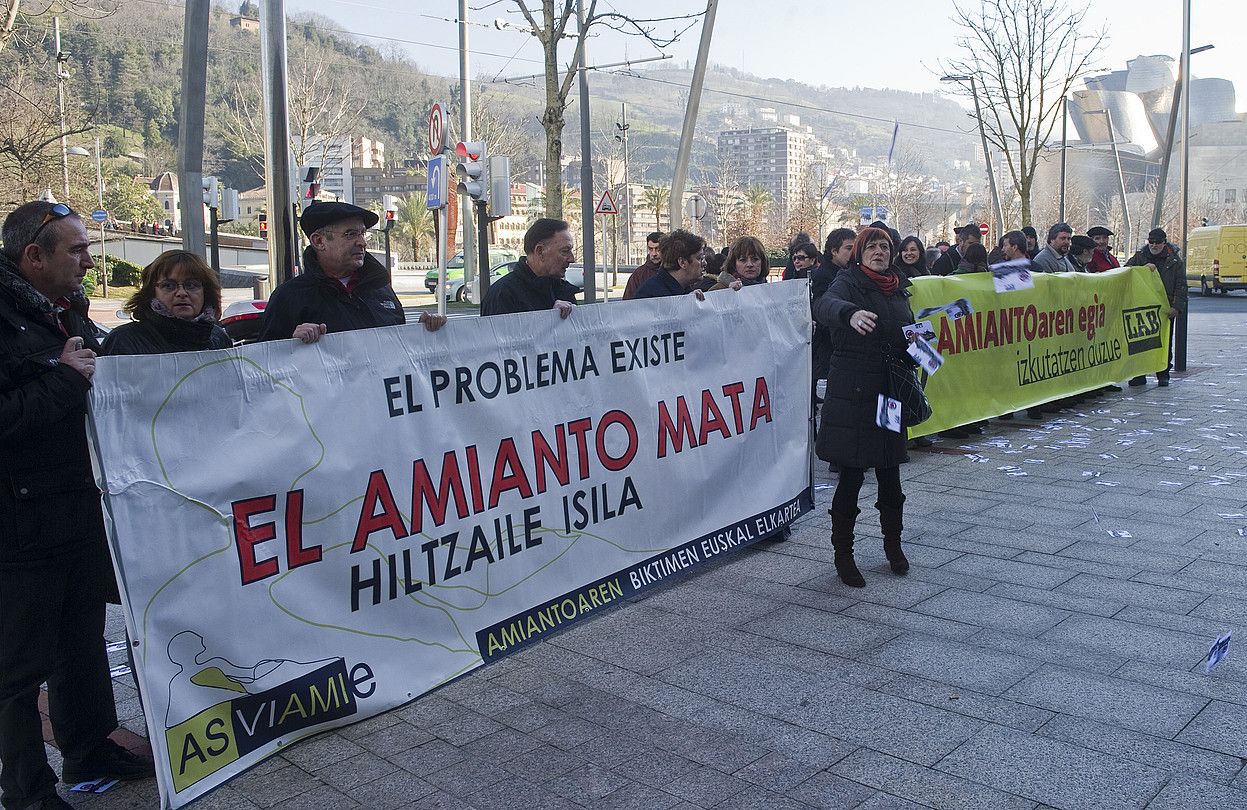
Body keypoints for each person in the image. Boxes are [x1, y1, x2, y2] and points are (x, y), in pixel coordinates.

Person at [0, 201, 156, 810]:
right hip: (20, 521)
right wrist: (64, 380)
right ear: (33, 256)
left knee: (82, 639)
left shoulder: (62, 311)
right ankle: (27, 791)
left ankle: (89, 747)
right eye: (77, 250)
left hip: (76, 508)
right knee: (19, 670)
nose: (89, 260)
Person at [814, 227, 915, 588]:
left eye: (884, 246)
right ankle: (844, 554)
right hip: (854, 395)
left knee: (891, 476)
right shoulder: (847, 281)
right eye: (871, 245)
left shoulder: (899, 287)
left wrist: (923, 347)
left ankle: (894, 547)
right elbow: (823, 305)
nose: (878, 251)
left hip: (888, 394)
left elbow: (905, 335)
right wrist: (849, 314)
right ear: (858, 253)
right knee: (852, 477)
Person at [259, 202, 445, 343]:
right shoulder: (289, 297)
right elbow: (265, 366)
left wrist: (422, 333)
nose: (362, 242)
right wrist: (292, 341)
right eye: (350, 234)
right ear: (319, 241)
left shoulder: (381, 289)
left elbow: (398, 350)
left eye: (362, 233)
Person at [101, 251, 232, 354]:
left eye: (191, 285)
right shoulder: (123, 341)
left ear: (206, 291)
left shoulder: (219, 338)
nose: (181, 293)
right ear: (152, 292)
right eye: (169, 286)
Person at [481, 218, 580, 318]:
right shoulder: (503, 295)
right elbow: (501, 333)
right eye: (565, 251)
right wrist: (549, 317)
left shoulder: (564, 291)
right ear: (540, 251)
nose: (571, 259)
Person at [1125, 227, 1186, 387]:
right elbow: (1126, 271)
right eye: (1150, 242)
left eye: (1158, 242)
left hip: (1165, 308)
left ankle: (1163, 374)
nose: (1154, 245)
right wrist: (1142, 269)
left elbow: (1181, 286)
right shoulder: (1140, 257)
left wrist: (1176, 307)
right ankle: (1139, 374)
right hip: (1142, 307)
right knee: (1140, 342)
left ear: (1164, 243)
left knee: (1164, 342)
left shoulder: (1174, 261)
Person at [634, 230, 708, 300]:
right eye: (700, 258)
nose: (705, 263)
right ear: (682, 262)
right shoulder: (650, 296)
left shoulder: (684, 289)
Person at [621, 231, 664, 299]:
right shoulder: (638, 275)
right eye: (650, 249)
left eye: (658, 249)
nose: (654, 253)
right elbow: (628, 303)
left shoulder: (675, 272)